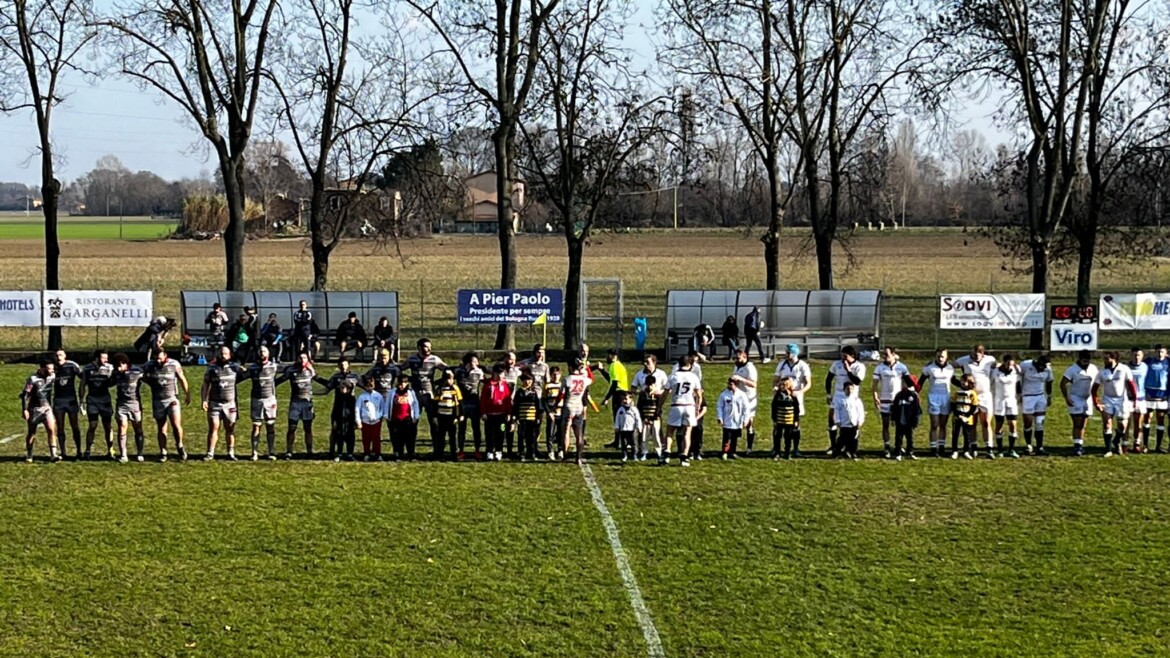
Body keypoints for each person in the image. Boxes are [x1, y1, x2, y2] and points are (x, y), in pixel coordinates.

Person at [142, 349, 190, 462]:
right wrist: (149, 382)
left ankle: (180, 445)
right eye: (156, 359)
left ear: (165, 356)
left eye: (160, 358)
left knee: (176, 424)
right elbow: (140, 374)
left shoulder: (174, 364)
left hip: (172, 398)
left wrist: (187, 394)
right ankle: (163, 451)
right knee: (162, 428)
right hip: (158, 400)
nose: (159, 361)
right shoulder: (149, 365)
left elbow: (182, 378)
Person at [201, 346, 245, 461]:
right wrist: (204, 400)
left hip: (230, 404)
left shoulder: (234, 367)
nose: (223, 356)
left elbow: (246, 373)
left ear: (230, 355)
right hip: (215, 403)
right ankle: (210, 453)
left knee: (230, 428)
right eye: (221, 353)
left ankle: (230, 452)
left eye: (225, 354)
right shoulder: (211, 368)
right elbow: (205, 384)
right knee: (213, 428)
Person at [1092, 351, 1137, 457]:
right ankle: (1108, 449)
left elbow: (1131, 384)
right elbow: (1094, 389)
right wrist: (1096, 403)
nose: (1104, 360)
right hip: (1107, 400)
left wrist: (1135, 399)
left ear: (1114, 359)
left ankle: (1116, 440)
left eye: (1107, 358)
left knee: (1122, 425)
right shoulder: (1102, 372)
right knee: (1107, 424)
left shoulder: (1124, 369)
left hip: (1122, 400)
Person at [404, 338, 447, 446]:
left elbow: (448, 370)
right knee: (412, 423)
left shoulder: (434, 359)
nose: (429, 349)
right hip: (415, 396)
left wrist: (440, 382)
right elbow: (399, 369)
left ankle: (437, 449)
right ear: (419, 347)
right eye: (426, 346)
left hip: (430, 395)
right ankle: (410, 451)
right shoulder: (412, 359)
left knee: (434, 422)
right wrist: (408, 379)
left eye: (430, 347)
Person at [955, 344, 997, 454]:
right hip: (971, 395)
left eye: (979, 352)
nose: (976, 354)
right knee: (971, 422)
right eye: (974, 352)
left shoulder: (990, 360)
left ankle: (989, 448)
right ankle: (973, 447)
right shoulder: (964, 360)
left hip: (985, 396)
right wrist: (958, 383)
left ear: (983, 353)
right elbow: (949, 366)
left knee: (986, 422)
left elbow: (997, 366)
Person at [317, 358, 362, 461]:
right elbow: (328, 386)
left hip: (350, 407)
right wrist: (316, 378)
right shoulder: (336, 377)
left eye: (345, 365)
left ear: (349, 365)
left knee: (350, 431)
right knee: (338, 431)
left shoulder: (355, 376)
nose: (343, 367)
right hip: (338, 407)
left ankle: (350, 453)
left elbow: (365, 385)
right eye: (341, 365)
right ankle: (339, 453)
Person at [276, 351, 318, 459]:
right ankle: (289, 451)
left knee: (308, 428)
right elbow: (280, 380)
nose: (302, 360)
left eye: (305, 358)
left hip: (307, 402)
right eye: (300, 358)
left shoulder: (310, 371)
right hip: (295, 403)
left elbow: (319, 379)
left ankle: (309, 451)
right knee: (292, 427)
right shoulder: (291, 370)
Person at [826, 345, 866, 455]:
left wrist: (848, 371)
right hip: (838, 395)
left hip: (851, 396)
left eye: (845, 356)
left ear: (852, 355)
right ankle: (833, 445)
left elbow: (857, 381)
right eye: (842, 355)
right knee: (832, 419)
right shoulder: (836, 364)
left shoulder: (859, 367)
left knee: (850, 421)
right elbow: (828, 379)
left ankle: (850, 447)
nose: (842, 358)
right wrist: (829, 394)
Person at [663, 353, 702, 466]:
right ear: (690, 364)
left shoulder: (673, 376)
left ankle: (666, 454)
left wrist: (660, 406)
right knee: (687, 433)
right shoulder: (694, 377)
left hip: (677, 405)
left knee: (670, 431)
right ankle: (684, 457)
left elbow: (665, 393)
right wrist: (698, 407)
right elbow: (699, 395)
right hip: (689, 406)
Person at [871, 347, 910, 458]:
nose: (885, 356)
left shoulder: (902, 367)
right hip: (885, 399)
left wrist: (906, 397)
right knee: (886, 424)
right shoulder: (879, 368)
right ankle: (887, 446)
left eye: (887, 354)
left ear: (893, 354)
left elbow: (907, 383)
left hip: (898, 400)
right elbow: (874, 385)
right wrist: (875, 397)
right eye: (884, 354)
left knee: (900, 425)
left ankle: (898, 445)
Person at [244, 345, 280, 461]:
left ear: (268, 354)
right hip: (256, 399)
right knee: (256, 426)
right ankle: (254, 452)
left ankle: (271, 451)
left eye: (264, 351)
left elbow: (288, 372)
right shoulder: (252, 368)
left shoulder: (274, 367)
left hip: (270, 399)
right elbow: (240, 377)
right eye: (260, 351)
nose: (261, 353)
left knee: (270, 425)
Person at [79, 350, 115, 459]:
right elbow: (82, 385)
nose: (106, 360)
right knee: (92, 425)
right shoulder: (87, 369)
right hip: (92, 400)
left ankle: (110, 450)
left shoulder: (109, 368)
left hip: (105, 400)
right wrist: (81, 401)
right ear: (96, 358)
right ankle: (88, 450)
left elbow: (112, 382)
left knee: (108, 426)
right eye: (103, 358)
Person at [1061, 349, 1098, 457]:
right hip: (1075, 397)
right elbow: (1063, 383)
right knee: (1077, 422)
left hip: (1088, 398)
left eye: (1087, 361)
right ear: (1080, 359)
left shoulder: (1093, 368)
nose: (1085, 363)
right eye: (1083, 361)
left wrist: (1097, 397)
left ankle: (1080, 444)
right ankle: (1076, 446)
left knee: (1083, 424)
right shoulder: (1072, 369)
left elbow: (1098, 382)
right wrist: (1067, 398)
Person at [110, 353, 146, 463]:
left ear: (124, 363)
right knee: (122, 427)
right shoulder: (115, 373)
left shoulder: (137, 371)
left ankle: (139, 453)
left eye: (118, 366)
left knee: (138, 427)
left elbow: (147, 378)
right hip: (121, 404)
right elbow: (110, 382)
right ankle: (123, 454)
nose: (117, 368)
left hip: (135, 403)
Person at [919, 349, 955, 458]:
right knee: (934, 424)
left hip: (946, 397)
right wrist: (914, 393)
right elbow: (920, 383)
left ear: (946, 357)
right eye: (938, 356)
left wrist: (968, 387)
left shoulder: (950, 368)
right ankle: (933, 448)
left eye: (942, 356)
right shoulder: (929, 368)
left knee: (943, 425)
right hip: (933, 397)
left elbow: (954, 381)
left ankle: (942, 447)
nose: (940, 358)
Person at [20, 358, 57, 463]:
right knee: (32, 432)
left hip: (47, 408)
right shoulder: (33, 379)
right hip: (34, 409)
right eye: (49, 369)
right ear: (42, 369)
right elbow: (24, 395)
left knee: (51, 429)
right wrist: (25, 410)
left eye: (52, 369)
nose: (51, 371)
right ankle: (29, 454)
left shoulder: (52, 376)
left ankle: (53, 454)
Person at [773, 345, 811, 444]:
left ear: (794, 353)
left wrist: (799, 391)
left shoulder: (802, 365)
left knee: (795, 423)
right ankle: (776, 448)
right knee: (778, 423)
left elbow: (808, 383)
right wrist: (776, 388)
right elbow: (776, 380)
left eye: (789, 353)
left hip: (795, 398)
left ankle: (795, 448)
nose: (786, 354)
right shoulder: (782, 364)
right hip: (782, 398)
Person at [559, 359, 593, 464]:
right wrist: (587, 367)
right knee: (579, 434)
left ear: (570, 367)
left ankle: (565, 455)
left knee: (566, 432)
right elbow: (591, 378)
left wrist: (556, 406)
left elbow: (561, 395)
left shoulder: (567, 379)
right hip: (579, 407)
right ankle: (578, 457)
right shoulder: (584, 379)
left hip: (569, 406)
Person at [50, 350, 83, 459]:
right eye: (56, 355)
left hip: (71, 400)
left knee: (75, 426)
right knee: (60, 427)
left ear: (65, 356)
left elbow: (83, 377)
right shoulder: (52, 367)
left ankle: (79, 451)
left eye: (60, 355)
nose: (58, 357)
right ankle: (63, 452)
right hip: (59, 401)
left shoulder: (72, 365)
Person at [991, 353, 1022, 457]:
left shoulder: (1015, 372)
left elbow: (1018, 385)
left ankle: (1011, 449)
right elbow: (990, 383)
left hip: (1011, 401)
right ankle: (999, 450)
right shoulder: (995, 371)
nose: (1009, 366)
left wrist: (1019, 396)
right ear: (1004, 362)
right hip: (999, 401)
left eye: (1011, 364)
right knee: (999, 425)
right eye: (1008, 364)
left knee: (1012, 424)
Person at [454, 352, 484, 460]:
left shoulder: (479, 372)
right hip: (462, 404)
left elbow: (486, 380)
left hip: (475, 404)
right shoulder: (458, 372)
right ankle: (460, 451)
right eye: (473, 361)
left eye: (476, 361)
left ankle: (477, 450)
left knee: (476, 428)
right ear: (467, 363)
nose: (475, 364)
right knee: (461, 428)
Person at [479, 365, 512, 462]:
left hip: (501, 415)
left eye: (502, 373)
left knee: (501, 432)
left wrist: (508, 413)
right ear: (494, 373)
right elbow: (483, 399)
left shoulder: (505, 385)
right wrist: (483, 412)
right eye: (498, 373)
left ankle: (499, 451)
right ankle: (489, 451)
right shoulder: (488, 384)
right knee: (489, 433)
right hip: (489, 415)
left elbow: (508, 400)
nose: (500, 375)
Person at [600, 349, 630, 449]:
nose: (607, 357)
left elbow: (614, 384)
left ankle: (624, 442)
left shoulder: (615, 366)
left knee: (619, 419)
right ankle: (618, 442)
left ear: (613, 356)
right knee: (618, 419)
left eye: (608, 355)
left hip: (619, 394)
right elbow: (611, 379)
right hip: (621, 393)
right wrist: (602, 370)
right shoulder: (618, 366)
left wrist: (606, 398)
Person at [730, 349, 759, 455]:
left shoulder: (750, 368)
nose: (736, 360)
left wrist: (741, 379)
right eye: (735, 358)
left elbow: (754, 384)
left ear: (744, 357)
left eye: (738, 358)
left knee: (748, 423)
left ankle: (749, 447)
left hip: (749, 398)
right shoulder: (737, 366)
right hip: (738, 398)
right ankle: (733, 448)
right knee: (735, 421)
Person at [387, 375, 421, 460]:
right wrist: (387, 416)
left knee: (410, 438)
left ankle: (411, 454)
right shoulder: (392, 392)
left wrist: (416, 416)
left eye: (405, 383)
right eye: (400, 383)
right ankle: (398, 454)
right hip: (396, 419)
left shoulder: (411, 392)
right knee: (397, 438)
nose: (402, 385)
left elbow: (415, 404)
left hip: (408, 419)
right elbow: (387, 404)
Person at [1144, 345, 1170, 452]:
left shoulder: (1168, 362)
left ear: (1166, 353)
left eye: (1162, 352)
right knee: (1147, 419)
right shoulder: (1148, 361)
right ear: (1155, 352)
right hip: (1149, 395)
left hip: (1162, 396)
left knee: (1160, 419)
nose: (1160, 354)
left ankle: (1158, 446)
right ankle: (1145, 445)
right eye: (1158, 351)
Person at [432, 369, 463, 460]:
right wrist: (434, 416)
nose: (450, 381)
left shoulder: (455, 388)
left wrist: (460, 415)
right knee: (441, 436)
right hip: (441, 416)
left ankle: (453, 454)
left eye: (451, 379)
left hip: (451, 416)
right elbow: (435, 403)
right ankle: (440, 454)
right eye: (448, 379)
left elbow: (459, 403)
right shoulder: (440, 389)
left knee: (452, 436)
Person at [717, 377, 749, 460]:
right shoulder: (724, 394)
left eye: (731, 384)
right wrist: (720, 417)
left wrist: (745, 420)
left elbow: (746, 408)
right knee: (726, 437)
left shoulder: (742, 395)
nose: (729, 386)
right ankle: (724, 452)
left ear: (736, 385)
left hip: (737, 420)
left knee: (734, 437)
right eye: (728, 384)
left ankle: (733, 452)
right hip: (727, 420)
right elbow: (719, 407)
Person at [891, 374, 922, 460]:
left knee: (910, 438)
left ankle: (910, 452)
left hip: (909, 421)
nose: (902, 384)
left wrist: (915, 421)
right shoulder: (899, 395)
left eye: (903, 382)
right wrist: (893, 419)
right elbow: (894, 407)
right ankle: (898, 453)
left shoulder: (914, 396)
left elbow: (917, 410)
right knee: (898, 438)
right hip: (900, 420)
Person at [355, 376, 386, 461]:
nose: (370, 387)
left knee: (376, 438)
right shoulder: (362, 397)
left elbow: (382, 407)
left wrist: (380, 416)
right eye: (368, 386)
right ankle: (366, 453)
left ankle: (377, 454)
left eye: (371, 385)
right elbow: (357, 409)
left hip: (376, 421)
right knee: (366, 439)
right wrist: (358, 421)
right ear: (364, 386)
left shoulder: (378, 396)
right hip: (365, 422)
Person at [512, 372, 542, 461]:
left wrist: (538, 418)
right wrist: (516, 417)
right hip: (522, 418)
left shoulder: (534, 392)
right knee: (521, 437)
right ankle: (521, 453)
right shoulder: (519, 392)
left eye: (530, 380)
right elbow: (516, 405)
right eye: (526, 380)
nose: (528, 382)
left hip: (532, 418)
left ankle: (532, 453)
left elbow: (538, 406)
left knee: (532, 437)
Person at [832, 381, 865, 460]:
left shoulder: (857, 400)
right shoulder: (840, 400)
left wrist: (860, 421)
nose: (849, 390)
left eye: (851, 389)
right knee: (842, 439)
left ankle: (852, 452)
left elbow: (860, 412)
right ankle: (837, 452)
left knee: (854, 439)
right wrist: (837, 421)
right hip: (844, 423)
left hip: (854, 424)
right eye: (847, 389)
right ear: (844, 389)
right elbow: (836, 411)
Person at [950, 374, 980, 459]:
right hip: (957, 417)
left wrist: (967, 416)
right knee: (955, 434)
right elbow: (953, 403)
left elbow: (974, 406)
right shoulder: (957, 392)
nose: (963, 383)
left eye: (965, 381)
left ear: (970, 382)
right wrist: (957, 414)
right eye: (962, 381)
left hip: (967, 418)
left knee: (967, 434)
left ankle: (966, 451)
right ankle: (955, 451)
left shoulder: (972, 393)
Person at [771, 377, 801, 459]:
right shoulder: (777, 395)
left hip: (789, 420)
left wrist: (796, 420)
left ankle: (787, 453)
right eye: (780, 385)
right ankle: (777, 452)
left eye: (783, 385)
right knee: (778, 436)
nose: (781, 386)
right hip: (779, 419)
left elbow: (796, 409)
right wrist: (774, 419)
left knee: (788, 437)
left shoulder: (793, 396)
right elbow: (773, 407)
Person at [636, 380, 663, 462]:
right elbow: (639, 407)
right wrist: (644, 418)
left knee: (656, 436)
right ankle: (644, 452)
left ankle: (659, 452)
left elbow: (659, 407)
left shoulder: (657, 395)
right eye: (648, 384)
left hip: (655, 419)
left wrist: (655, 417)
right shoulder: (643, 395)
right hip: (645, 419)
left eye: (651, 384)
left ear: (654, 384)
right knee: (644, 436)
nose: (650, 386)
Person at [1128, 348, 1149, 453]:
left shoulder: (1145, 367)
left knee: (1138, 423)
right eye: (1135, 355)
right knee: (1125, 423)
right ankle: (1124, 443)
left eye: (1139, 355)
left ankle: (1137, 443)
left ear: (1142, 356)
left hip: (1141, 399)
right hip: (1128, 399)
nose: (1136, 357)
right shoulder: (1126, 367)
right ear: (1131, 355)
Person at [543, 366, 565, 460]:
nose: (556, 377)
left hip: (561, 412)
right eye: (554, 375)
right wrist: (549, 412)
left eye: (558, 374)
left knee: (560, 432)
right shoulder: (547, 386)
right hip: (551, 413)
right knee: (550, 433)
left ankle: (560, 450)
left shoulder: (562, 385)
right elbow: (544, 400)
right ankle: (550, 451)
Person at [613, 393, 643, 462]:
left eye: (626, 399)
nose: (624, 400)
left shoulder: (634, 409)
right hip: (623, 429)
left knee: (633, 443)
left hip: (632, 429)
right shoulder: (620, 409)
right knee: (624, 443)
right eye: (623, 399)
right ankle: (624, 455)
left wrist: (639, 427)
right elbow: (617, 418)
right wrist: (617, 427)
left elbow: (638, 418)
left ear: (631, 399)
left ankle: (635, 455)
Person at [689, 393, 709, 461]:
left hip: (698, 422)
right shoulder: (688, 397)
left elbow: (704, 409)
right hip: (689, 420)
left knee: (698, 437)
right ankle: (690, 452)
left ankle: (697, 453)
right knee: (689, 436)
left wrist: (697, 417)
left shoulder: (701, 398)